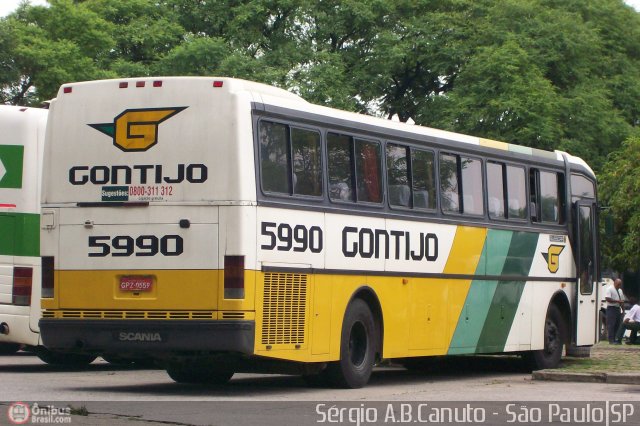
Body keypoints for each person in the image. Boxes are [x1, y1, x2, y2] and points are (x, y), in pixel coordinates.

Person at [605, 278, 625, 344]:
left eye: (620, 284)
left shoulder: (620, 291)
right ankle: (611, 340)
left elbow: (622, 301)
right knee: (611, 325)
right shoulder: (610, 289)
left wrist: (623, 310)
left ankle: (614, 339)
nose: (619, 285)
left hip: (617, 309)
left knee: (617, 324)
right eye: (618, 284)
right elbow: (607, 298)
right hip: (611, 308)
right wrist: (617, 301)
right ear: (615, 283)